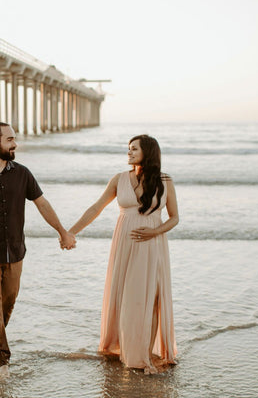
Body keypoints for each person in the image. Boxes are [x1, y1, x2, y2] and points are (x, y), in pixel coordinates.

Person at [0, 122, 76, 378]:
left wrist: (62, 231)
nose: (14, 144)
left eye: (14, 139)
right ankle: (2, 362)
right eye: (9, 139)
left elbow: (42, 204)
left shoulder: (23, 173)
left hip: (15, 252)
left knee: (7, 303)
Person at [68, 134, 179, 374]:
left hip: (152, 244)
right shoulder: (119, 179)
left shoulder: (165, 181)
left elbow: (174, 217)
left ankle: (143, 353)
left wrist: (154, 231)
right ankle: (123, 347)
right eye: (128, 149)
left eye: (134, 149)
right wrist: (71, 232)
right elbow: (96, 208)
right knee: (125, 296)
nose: (128, 153)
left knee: (147, 297)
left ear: (147, 152)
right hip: (124, 242)